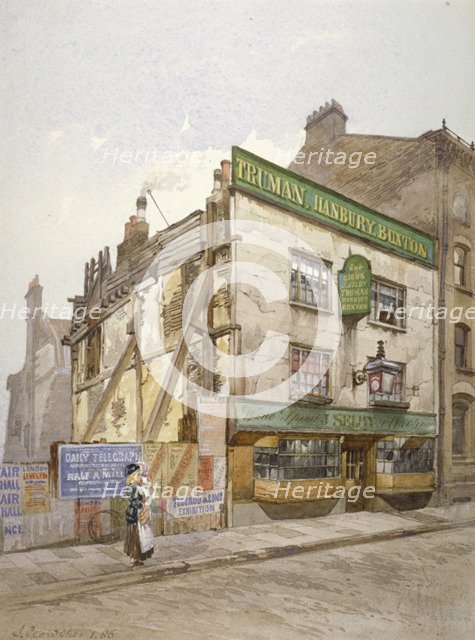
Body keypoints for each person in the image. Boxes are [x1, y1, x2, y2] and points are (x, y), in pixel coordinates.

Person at [123, 462, 154, 567]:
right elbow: (133, 501)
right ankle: (133, 559)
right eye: (138, 475)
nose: (140, 477)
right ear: (132, 477)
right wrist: (142, 507)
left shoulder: (136, 486)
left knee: (139, 539)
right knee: (134, 538)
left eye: (140, 474)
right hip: (134, 517)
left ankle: (136, 559)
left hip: (137, 515)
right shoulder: (132, 487)